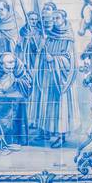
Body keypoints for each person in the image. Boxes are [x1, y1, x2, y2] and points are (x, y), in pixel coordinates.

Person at [29, 11, 76, 146]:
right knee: (47, 105)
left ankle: (61, 137)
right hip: (48, 77)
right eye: (53, 18)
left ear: (63, 18)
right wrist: (42, 45)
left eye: (57, 18)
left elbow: (70, 60)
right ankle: (46, 132)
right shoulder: (49, 36)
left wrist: (54, 59)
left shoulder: (68, 38)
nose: (55, 20)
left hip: (61, 78)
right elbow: (41, 54)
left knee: (60, 107)